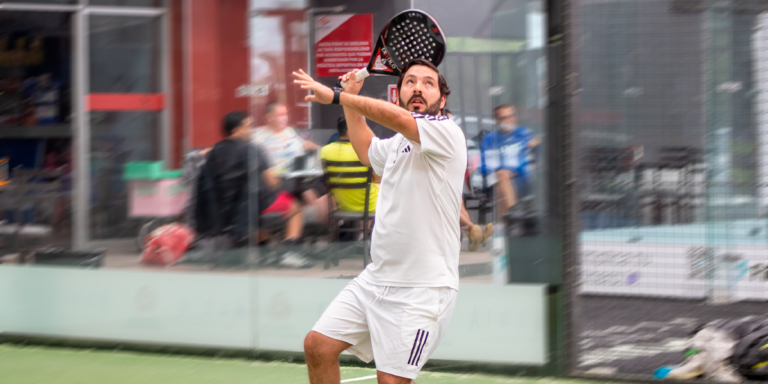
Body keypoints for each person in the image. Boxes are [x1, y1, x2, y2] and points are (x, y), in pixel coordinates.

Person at [294, 58, 466, 384]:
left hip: (423, 290)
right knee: (318, 346)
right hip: (376, 280)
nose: (418, 87)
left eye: (428, 83)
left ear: (442, 100)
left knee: (391, 382)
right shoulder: (398, 144)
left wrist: (336, 96)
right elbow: (364, 147)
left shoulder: (447, 133)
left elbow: (400, 119)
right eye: (410, 81)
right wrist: (353, 95)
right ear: (397, 93)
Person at [195, 111, 314, 268]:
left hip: (222, 208)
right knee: (296, 207)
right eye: (248, 126)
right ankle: (290, 252)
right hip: (250, 204)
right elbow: (272, 183)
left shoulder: (215, 150)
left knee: (255, 219)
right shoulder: (251, 149)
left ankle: (267, 248)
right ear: (237, 129)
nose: (251, 129)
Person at [480, 104, 540, 218]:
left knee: (500, 188)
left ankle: (506, 224)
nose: (508, 120)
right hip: (496, 178)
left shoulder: (524, 134)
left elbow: (533, 157)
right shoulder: (490, 139)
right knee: (501, 177)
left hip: (521, 179)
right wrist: (501, 173)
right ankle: (513, 217)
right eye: (503, 118)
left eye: (511, 116)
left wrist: (536, 145)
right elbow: (485, 165)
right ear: (497, 120)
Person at [445, 109, 493, 251]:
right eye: (449, 120)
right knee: (456, 205)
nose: (452, 124)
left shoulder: (452, 138)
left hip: (449, 180)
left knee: (458, 205)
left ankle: (473, 231)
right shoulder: (446, 137)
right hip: (442, 181)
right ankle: (474, 231)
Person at [320, 116, 379, 213]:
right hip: (368, 205)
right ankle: (368, 228)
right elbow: (377, 178)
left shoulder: (324, 151)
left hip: (340, 205)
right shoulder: (364, 151)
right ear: (349, 131)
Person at [252, 102, 320, 175]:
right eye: (281, 115)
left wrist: (321, 149)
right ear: (269, 117)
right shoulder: (256, 135)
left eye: (286, 114)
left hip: (297, 174)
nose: (285, 118)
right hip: (275, 177)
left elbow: (303, 144)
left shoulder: (289, 131)